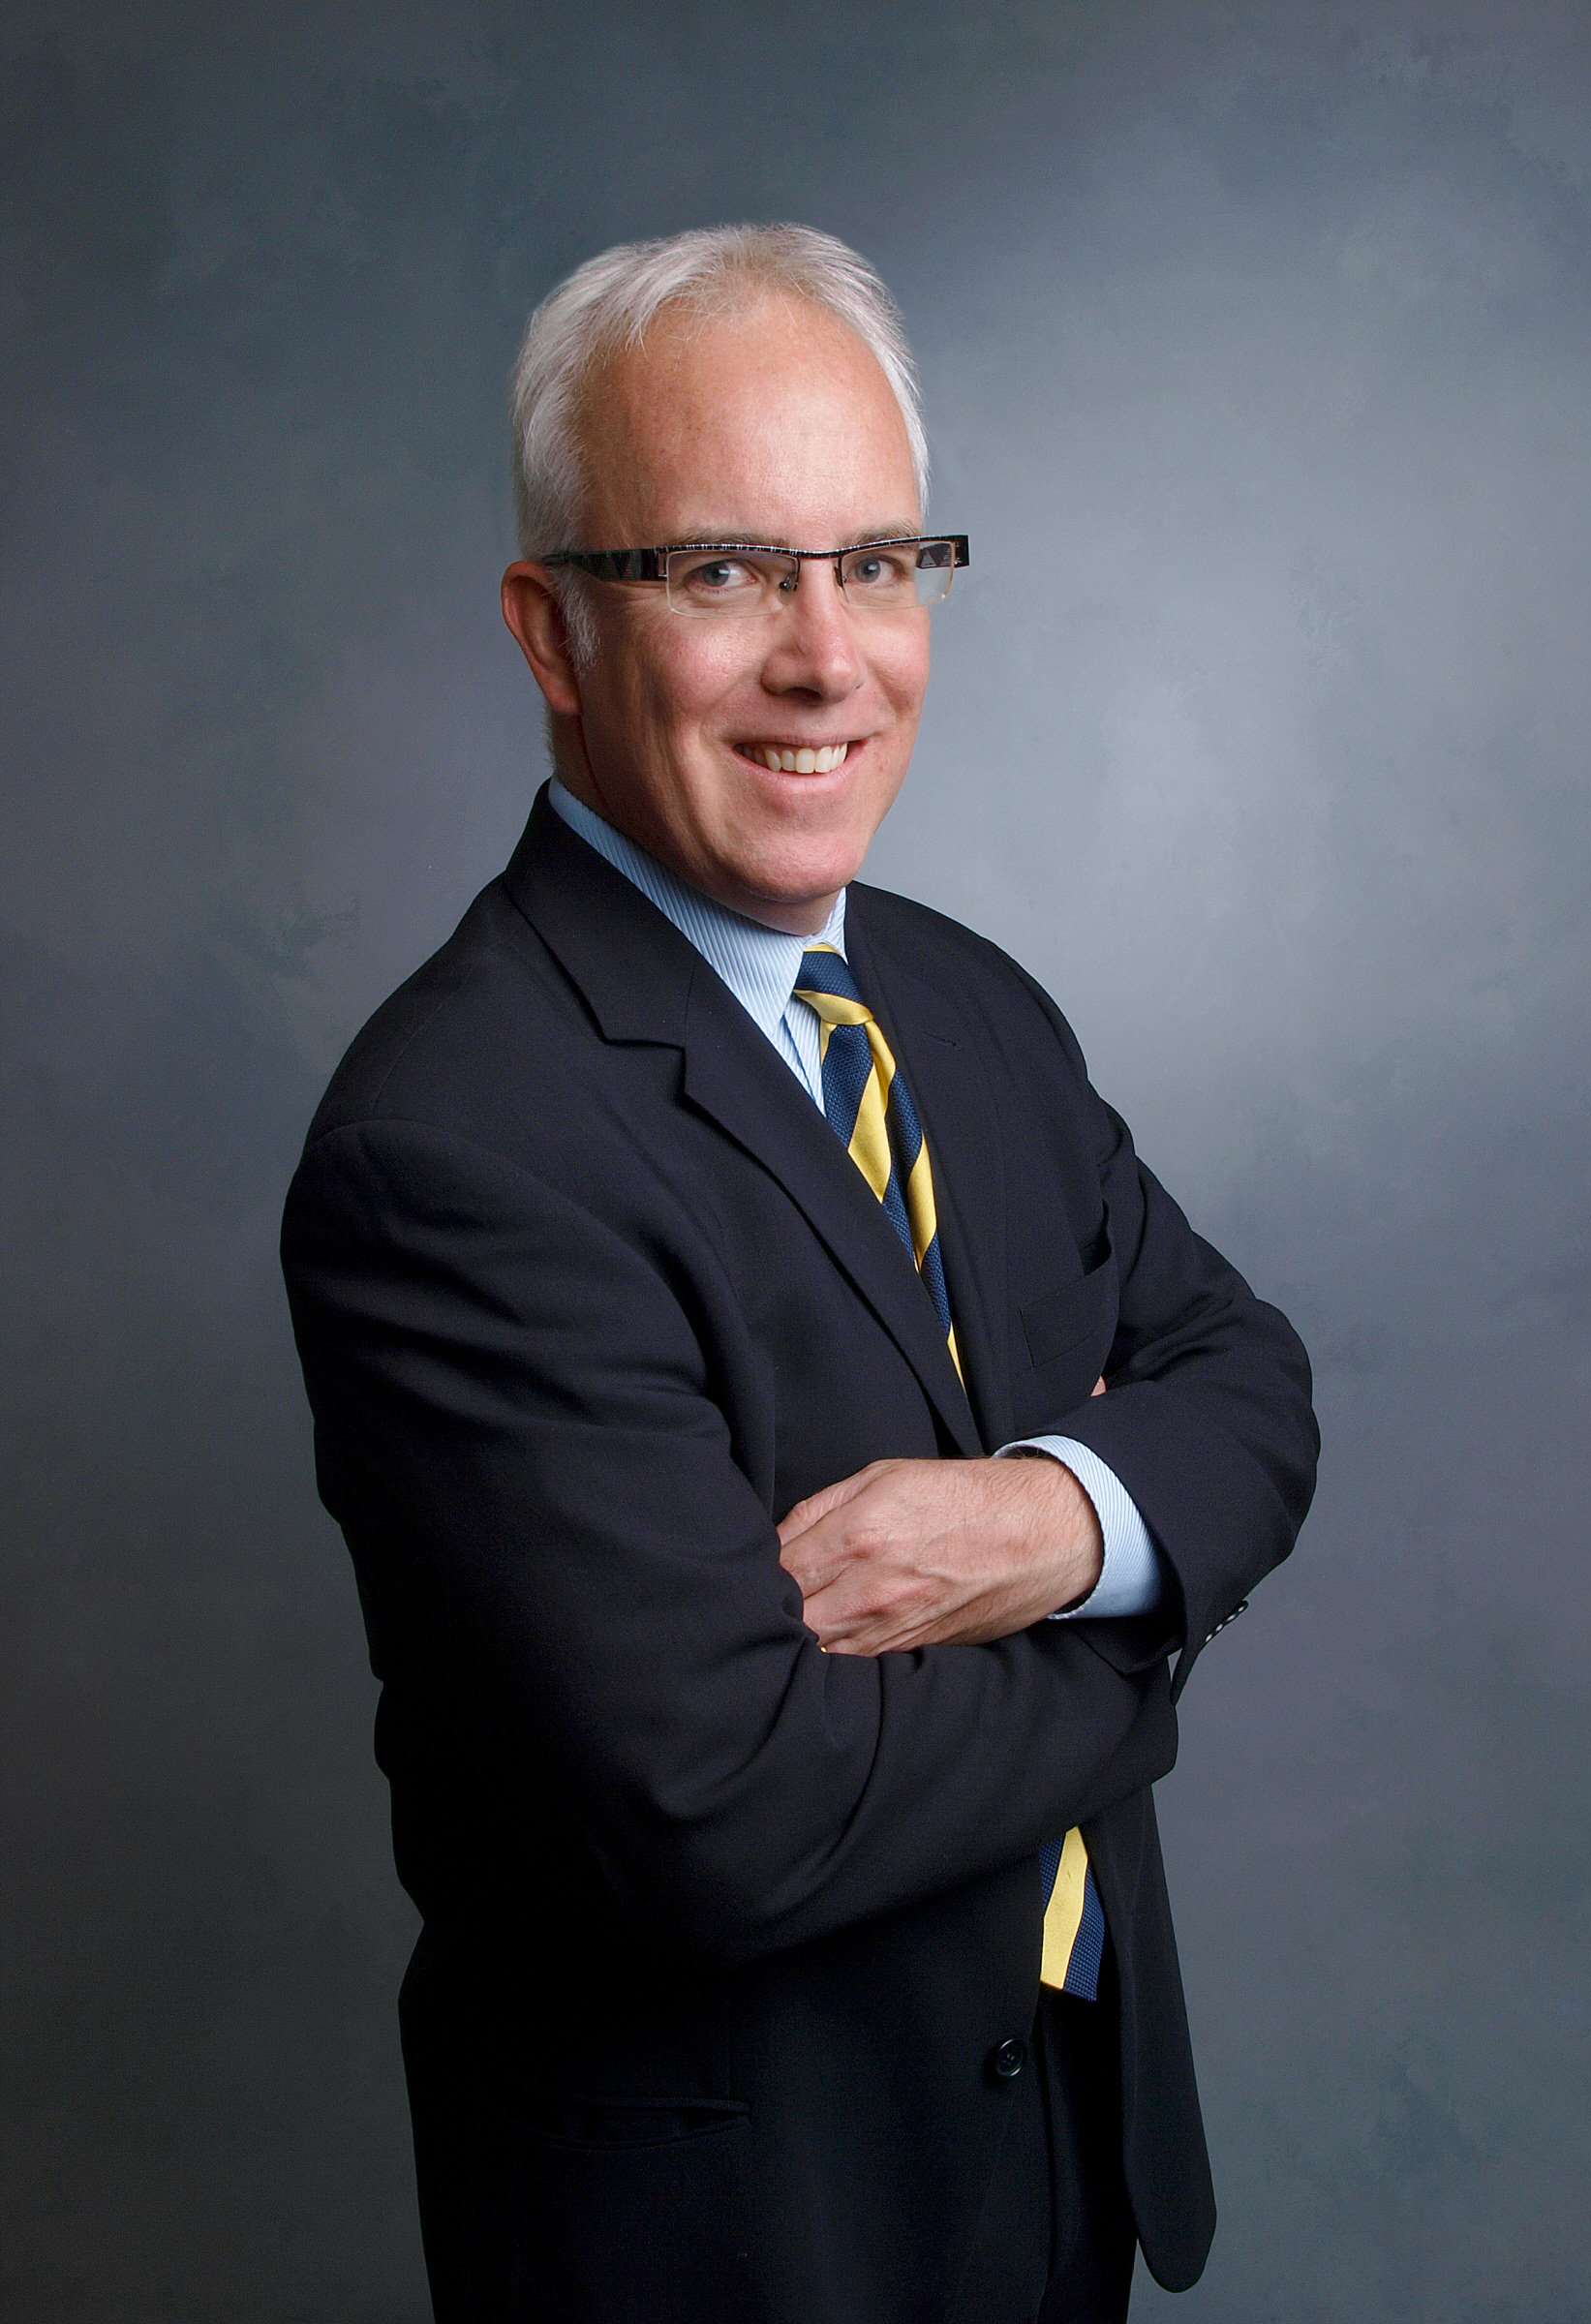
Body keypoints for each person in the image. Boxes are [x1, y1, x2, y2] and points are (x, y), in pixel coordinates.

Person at [281, 224, 1317, 2324]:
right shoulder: (456, 1142)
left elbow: (1248, 1387)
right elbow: (720, 1812)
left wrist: (1046, 1521)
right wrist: (1143, 1611)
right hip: (737, 2244)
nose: (825, 655)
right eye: (726, 570)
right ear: (553, 629)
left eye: (877, 564)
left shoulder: (961, 1004)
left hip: (1048, 2164)